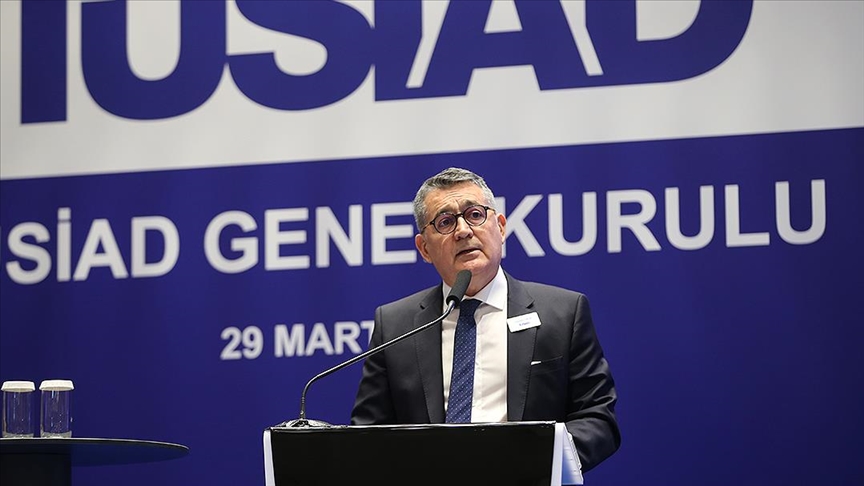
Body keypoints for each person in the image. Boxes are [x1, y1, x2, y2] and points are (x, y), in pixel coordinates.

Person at [351, 167, 620, 471]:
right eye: (445, 222)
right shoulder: (395, 325)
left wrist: (537, 460)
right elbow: (367, 435)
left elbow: (597, 418)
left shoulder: (562, 313)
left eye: (475, 215)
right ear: (424, 248)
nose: (463, 231)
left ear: (501, 227)